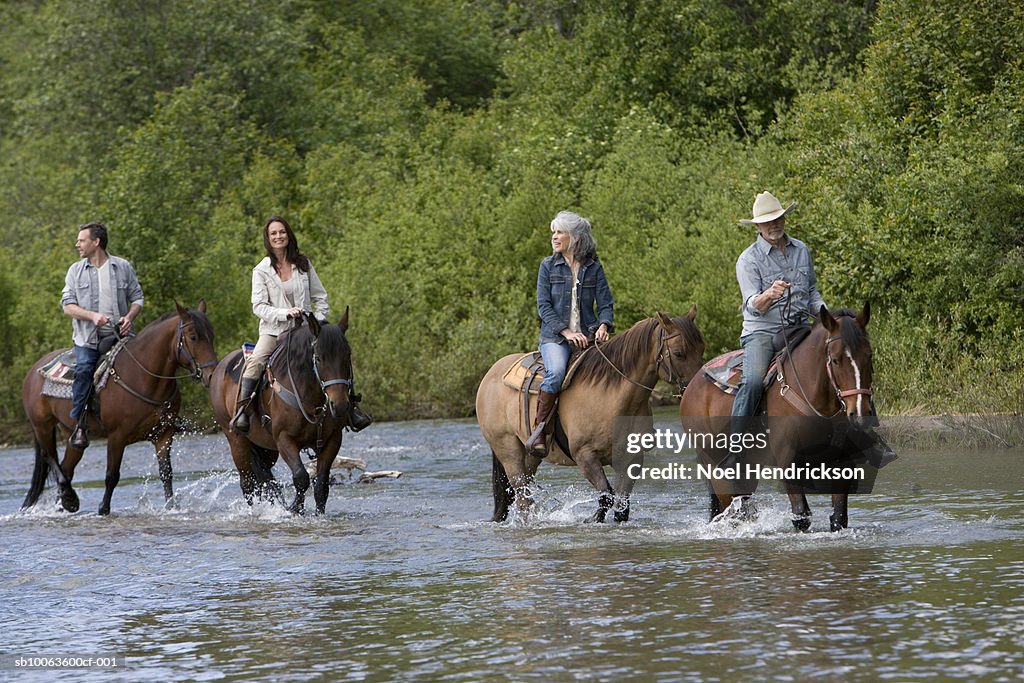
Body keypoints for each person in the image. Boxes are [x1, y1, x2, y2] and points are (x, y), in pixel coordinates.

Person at [732, 191, 895, 468]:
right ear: (757, 226)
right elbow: (751, 305)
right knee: (753, 381)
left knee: (848, 359)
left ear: (785, 219)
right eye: (767, 221)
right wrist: (769, 294)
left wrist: (826, 317)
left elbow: (811, 292)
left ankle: (869, 438)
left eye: (778, 218)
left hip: (801, 326)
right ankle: (736, 447)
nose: (774, 225)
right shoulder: (748, 260)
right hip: (763, 330)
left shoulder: (801, 250)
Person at [232, 216, 372, 434]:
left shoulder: (303, 263)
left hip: (307, 330)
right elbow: (258, 307)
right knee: (256, 361)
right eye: (273, 234)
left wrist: (319, 320)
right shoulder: (260, 270)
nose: (278, 237)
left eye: (282, 232)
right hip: (274, 330)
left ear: (288, 235)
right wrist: (284, 313)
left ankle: (351, 408)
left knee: (336, 356)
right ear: (268, 239)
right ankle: (243, 411)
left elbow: (320, 296)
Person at [526, 210, 614, 457]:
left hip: (589, 335)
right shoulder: (547, 266)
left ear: (574, 237)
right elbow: (543, 307)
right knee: (555, 373)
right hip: (556, 338)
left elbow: (605, 303)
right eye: (553, 232)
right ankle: (539, 431)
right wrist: (566, 333)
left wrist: (605, 325)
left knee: (618, 369)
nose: (554, 237)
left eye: (559, 232)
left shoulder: (594, 268)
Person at [60, 222, 144, 449]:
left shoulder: (123, 267)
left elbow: (138, 298)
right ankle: (79, 423)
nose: (77, 244)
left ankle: (161, 414)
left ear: (96, 242)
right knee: (85, 369)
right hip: (88, 338)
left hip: (120, 335)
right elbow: (67, 306)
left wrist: (129, 317)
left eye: (81, 240)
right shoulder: (75, 271)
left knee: (148, 362)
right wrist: (92, 316)